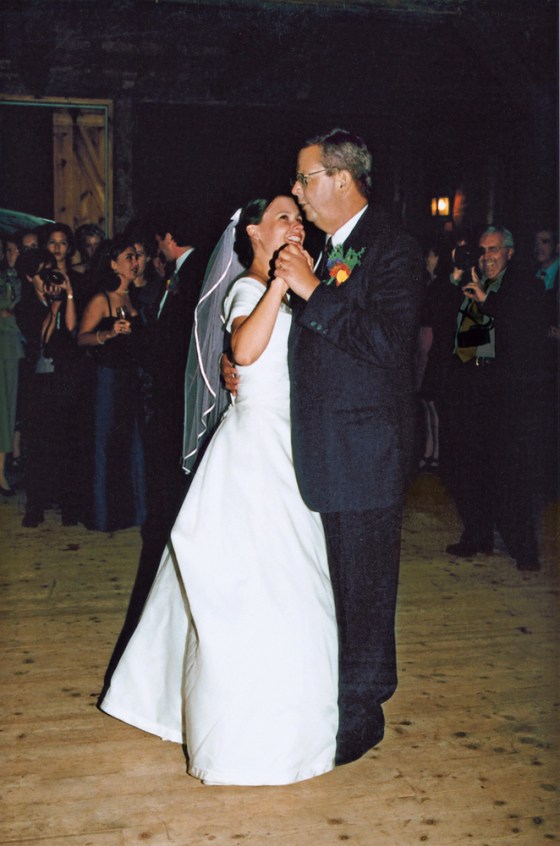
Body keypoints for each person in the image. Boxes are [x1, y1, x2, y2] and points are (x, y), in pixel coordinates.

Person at [100, 196, 338, 786]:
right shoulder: (245, 290)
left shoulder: (307, 285)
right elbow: (244, 351)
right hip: (254, 451)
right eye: (283, 216)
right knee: (245, 587)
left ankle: (295, 725)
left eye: (298, 217)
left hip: (294, 444)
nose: (295, 223)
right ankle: (239, 735)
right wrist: (280, 287)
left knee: (294, 582)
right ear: (254, 232)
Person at [225, 129, 422, 766]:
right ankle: (335, 694)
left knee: (364, 588)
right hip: (314, 448)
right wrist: (245, 373)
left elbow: (389, 346)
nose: (301, 192)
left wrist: (313, 290)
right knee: (331, 585)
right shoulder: (332, 248)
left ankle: (363, 712)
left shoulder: (391, 248)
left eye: (307, 179)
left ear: (342, 178)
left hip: (365, 450)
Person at [440, 226, 548, 570]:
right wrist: (455, 278)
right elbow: (438, 316)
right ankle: (477, 535)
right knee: (467, 468)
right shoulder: (471, 281)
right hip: (470, 388)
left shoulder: (525, 285)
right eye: (483, 249)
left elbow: (527, 327)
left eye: (494, 250)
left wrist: (487, 300)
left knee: (509, 475)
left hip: (506, 395)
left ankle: (524, 550)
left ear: (510, 254)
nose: (487, 256)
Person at [77, 236, 147, 532]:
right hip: (106, 379)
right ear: (112, 263)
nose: (135, 262)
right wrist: (106, 335)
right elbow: (81, 338)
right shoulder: (101, 299)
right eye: (128, 257)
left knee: (131, 443)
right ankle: (103, 514)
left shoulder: (134, 298)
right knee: (105, 444)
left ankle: (132, 513)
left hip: (130, 379)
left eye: (136, 256)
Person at [14, 248, 81, 527]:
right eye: (41, 274)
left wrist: (67, 294)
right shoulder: (24, 307)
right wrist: (52, 306)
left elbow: (72, 331)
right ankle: (35, 507)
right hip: (37, 383)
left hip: (63, 379)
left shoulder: (62, 299)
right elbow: (40, 339)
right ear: (29, 277)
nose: (47, 279)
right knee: (38, 447)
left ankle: (68, 506)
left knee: (66, 443)